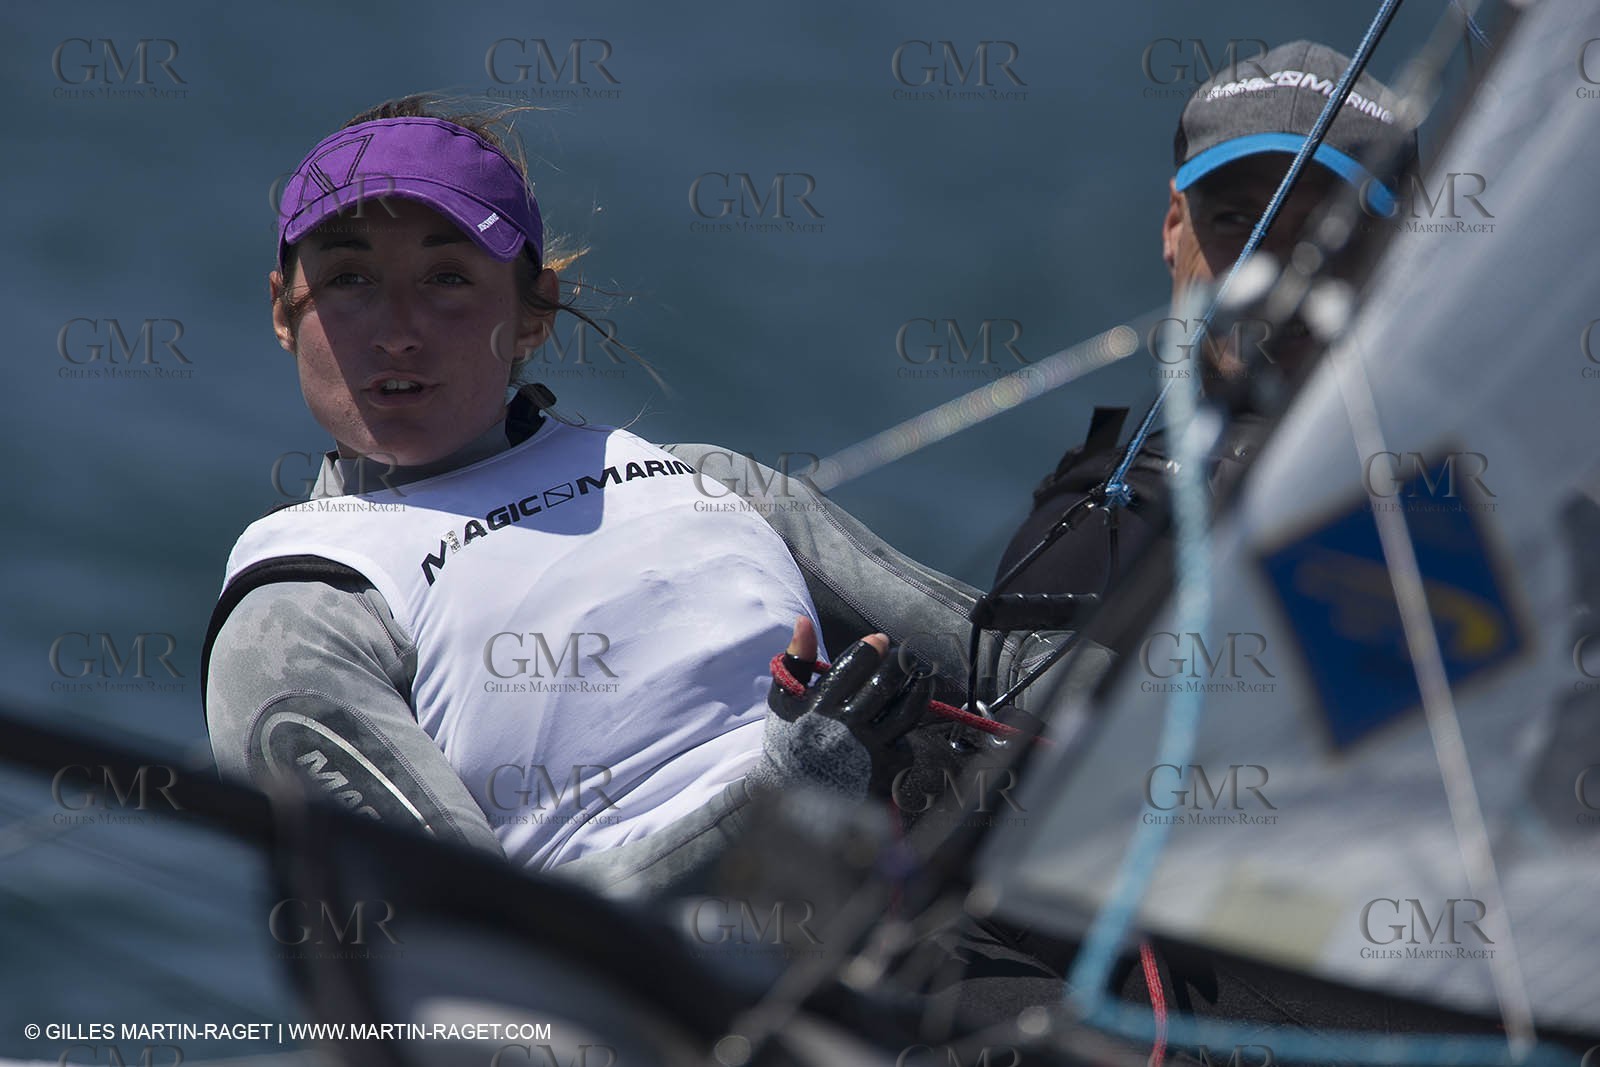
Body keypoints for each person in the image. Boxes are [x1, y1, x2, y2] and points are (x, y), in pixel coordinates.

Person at [202, 94, 928, 878]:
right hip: (705, 988)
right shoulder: (298, 616)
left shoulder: (712, 479)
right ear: (284, 307)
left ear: (533, 312)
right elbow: (472, 935)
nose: (397, 330)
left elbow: (1009, 653)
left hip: (930, 904)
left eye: (446, 277)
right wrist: (782, 797)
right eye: (349, 278)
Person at [993, 40, 1416, 603]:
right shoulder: (1095, 534)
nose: (1280, 273)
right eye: (1239, 220)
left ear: (1405, 252)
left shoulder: (1469, 503)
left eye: (1332, 233)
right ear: (1174, 226)